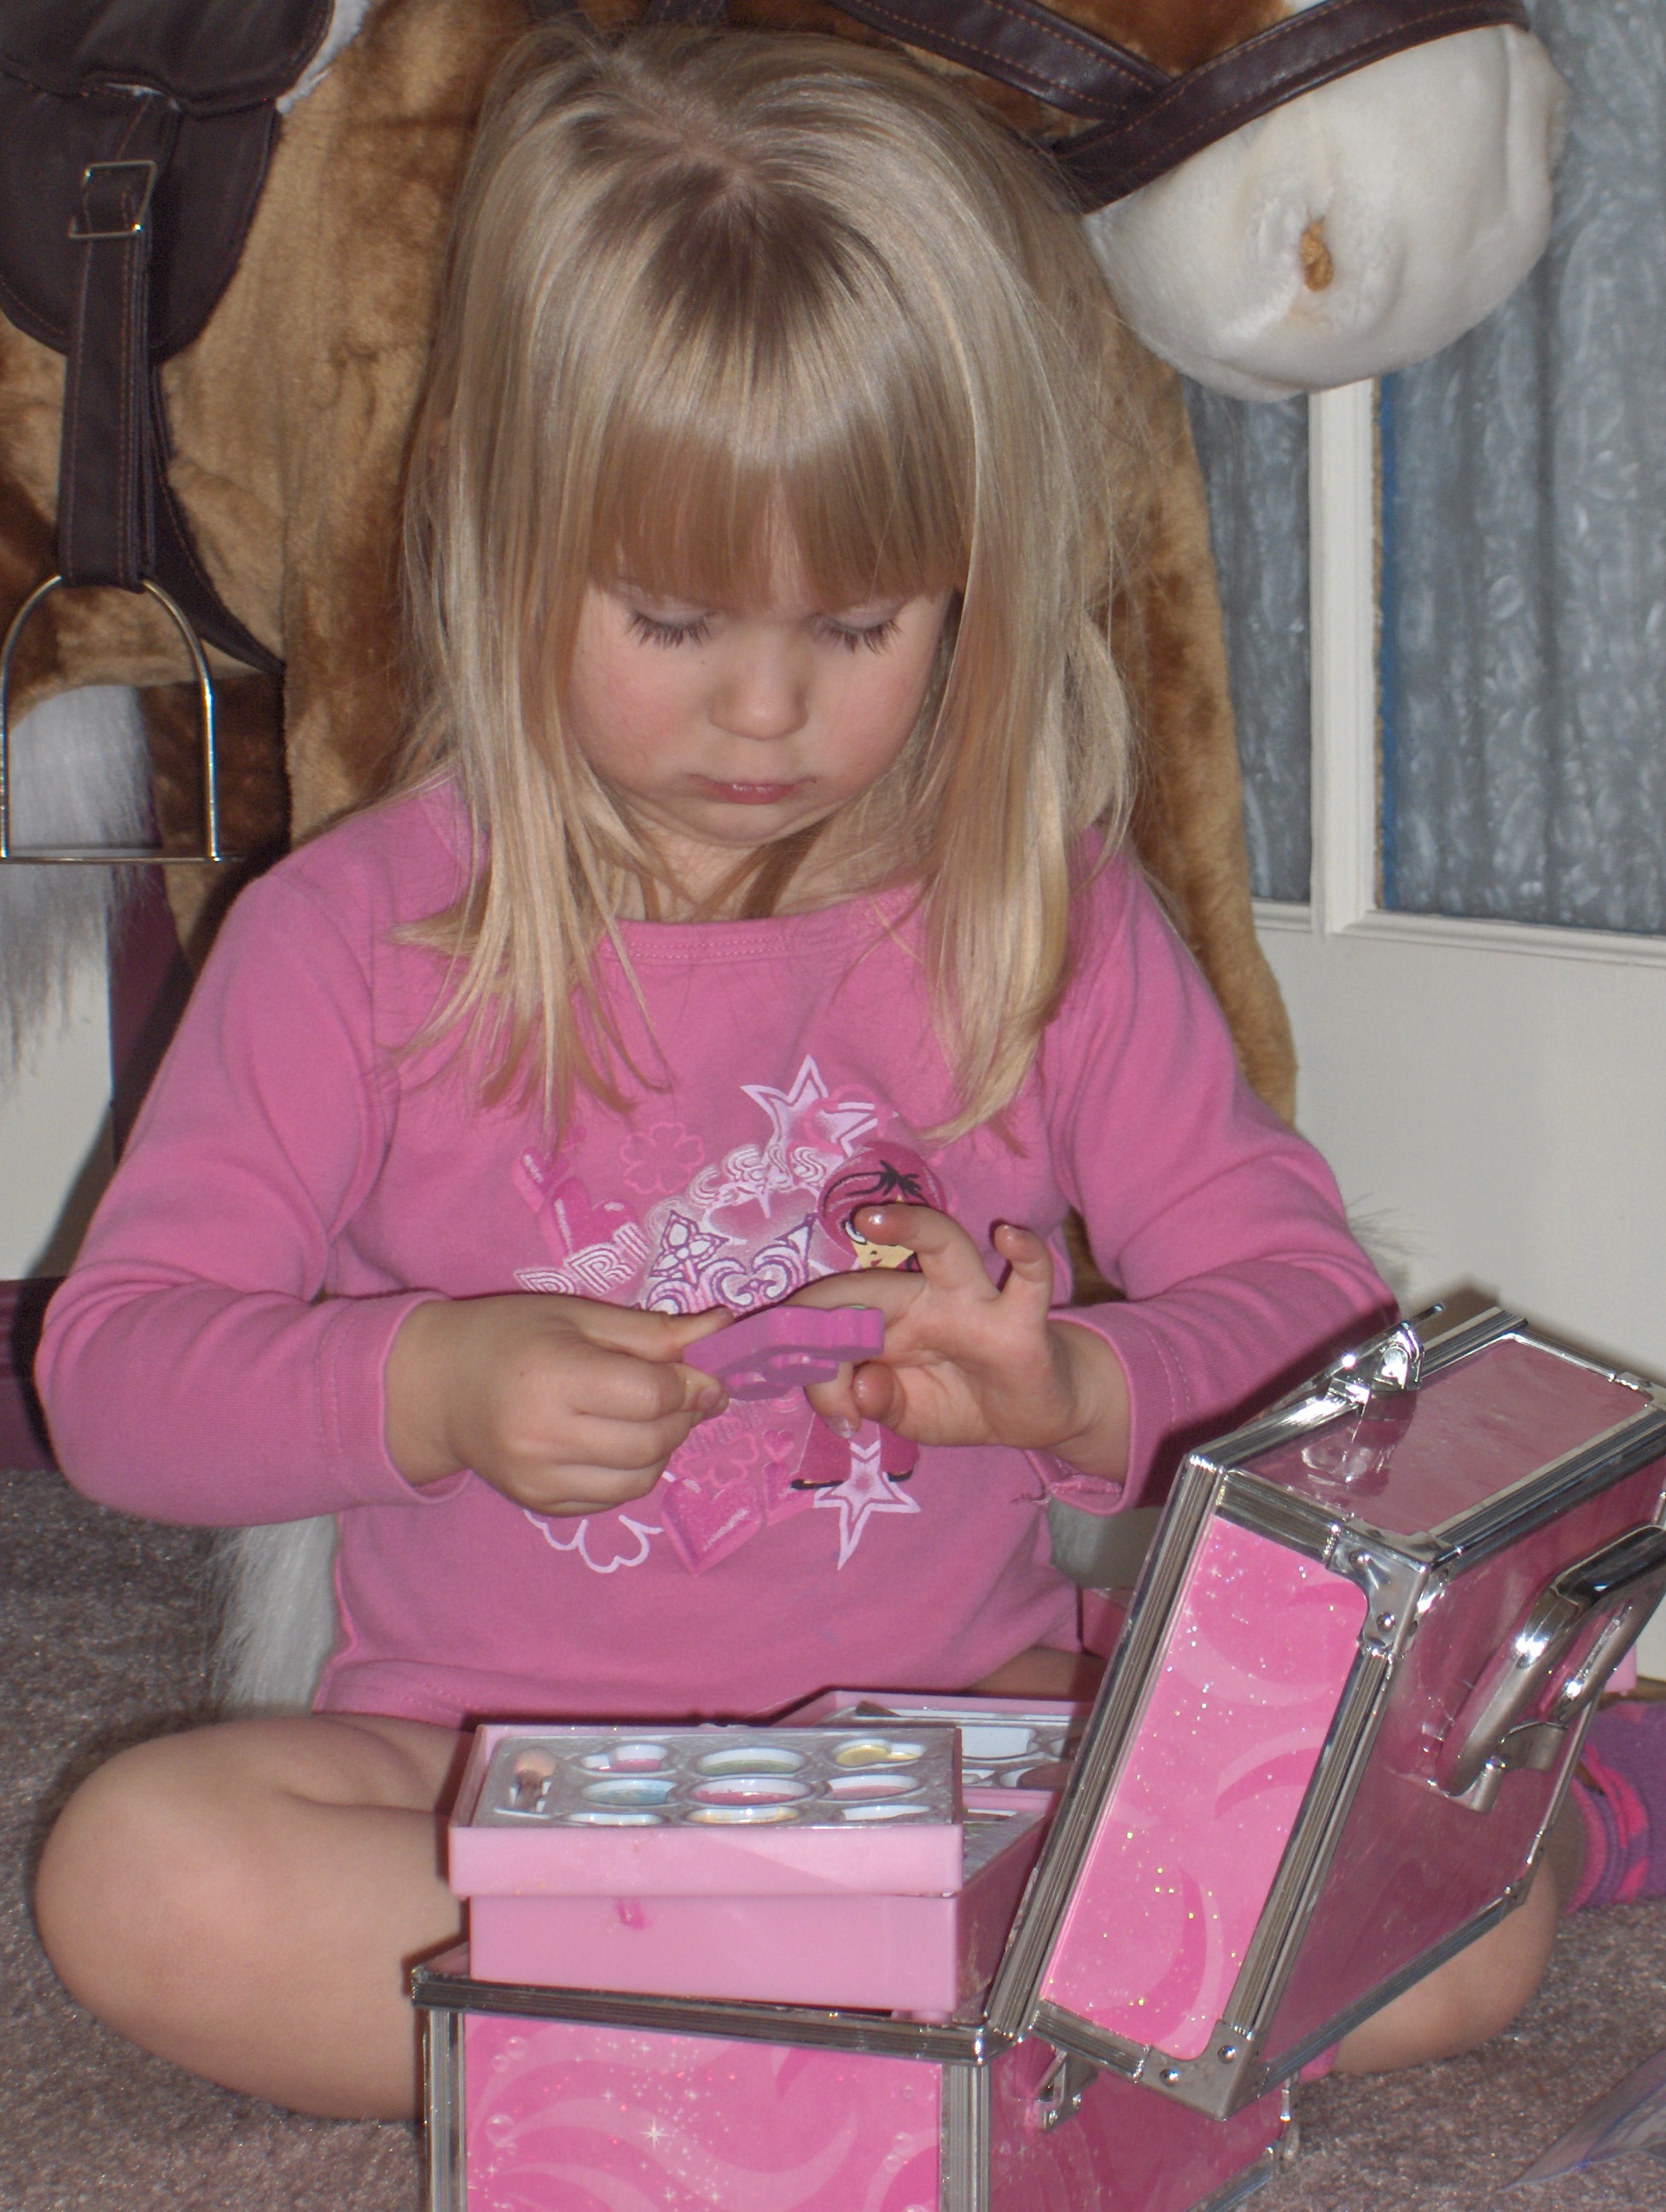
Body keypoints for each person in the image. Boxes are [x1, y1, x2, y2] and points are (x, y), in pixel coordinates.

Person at [28, 22, 1582, 2128]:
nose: (763, 710)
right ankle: (921, 2050)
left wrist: (1075, 1390)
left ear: (973, 579)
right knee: (144, 1879)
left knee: (1475, 1915)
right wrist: (431, 1385)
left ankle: (691, 2050)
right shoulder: (348, 938)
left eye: (858, 626)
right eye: (672, 619)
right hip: (487, 1771)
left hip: (954, 1749)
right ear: (499, 523)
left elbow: (1316, 1337)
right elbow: (119, 1378)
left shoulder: (1040, 916)